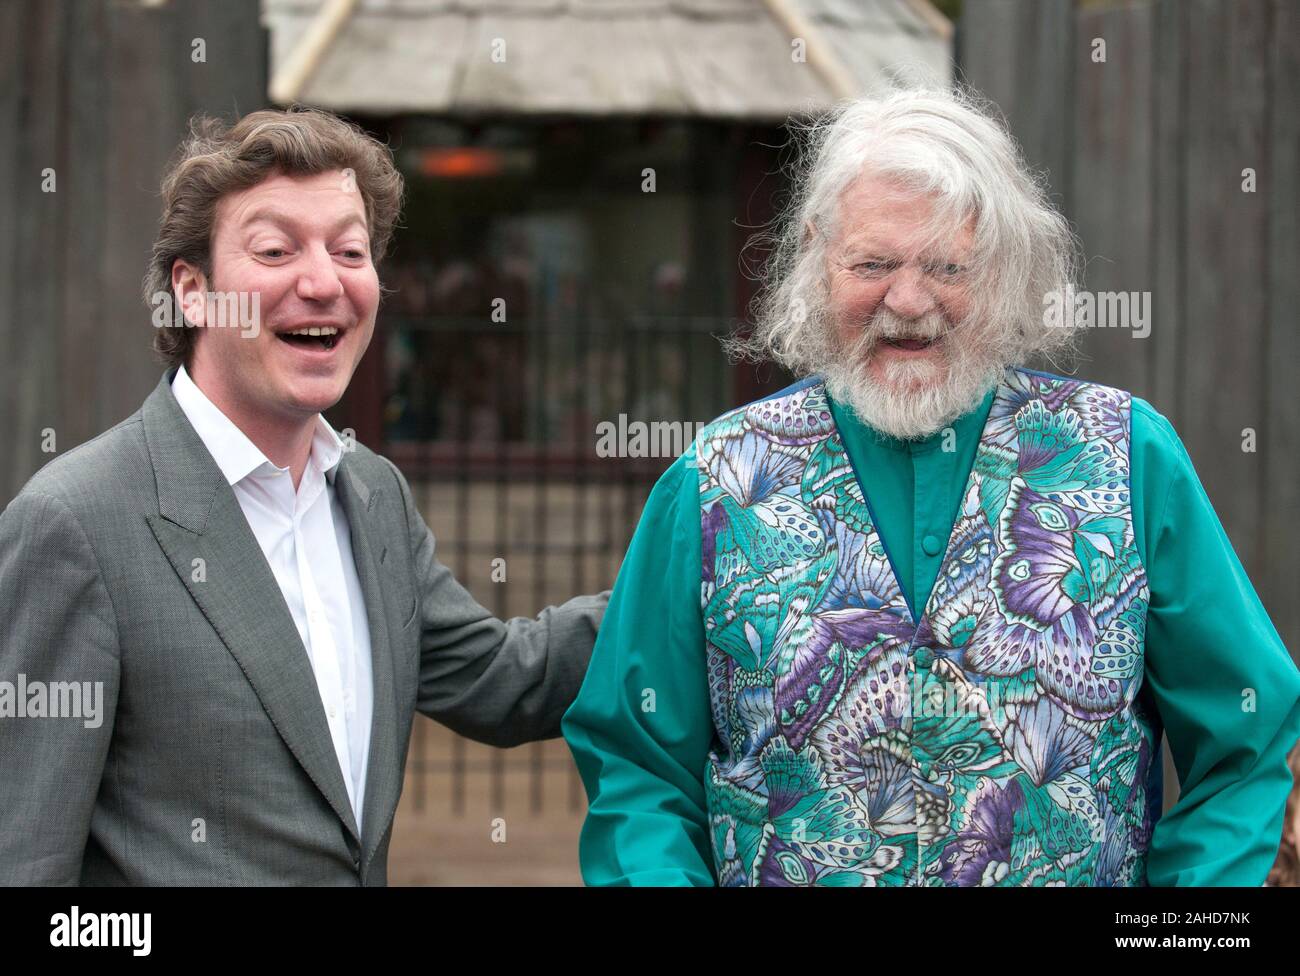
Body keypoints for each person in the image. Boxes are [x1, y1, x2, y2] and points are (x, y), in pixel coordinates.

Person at [562, 86, 1300, 887]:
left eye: (948, 267)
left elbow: (1248, 738)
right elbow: (638, 769)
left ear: (1008, 271)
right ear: (818, 257)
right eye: (873, 264)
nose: (908, 304)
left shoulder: (1128, 456)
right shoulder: (713, 480)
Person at [0, 107, 607, 885]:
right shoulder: (74, 523)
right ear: (193, 291)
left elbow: (503, 679)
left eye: (349, 250)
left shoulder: (370, 492)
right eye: (275, 249)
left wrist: (707, 569)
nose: (322, 282)